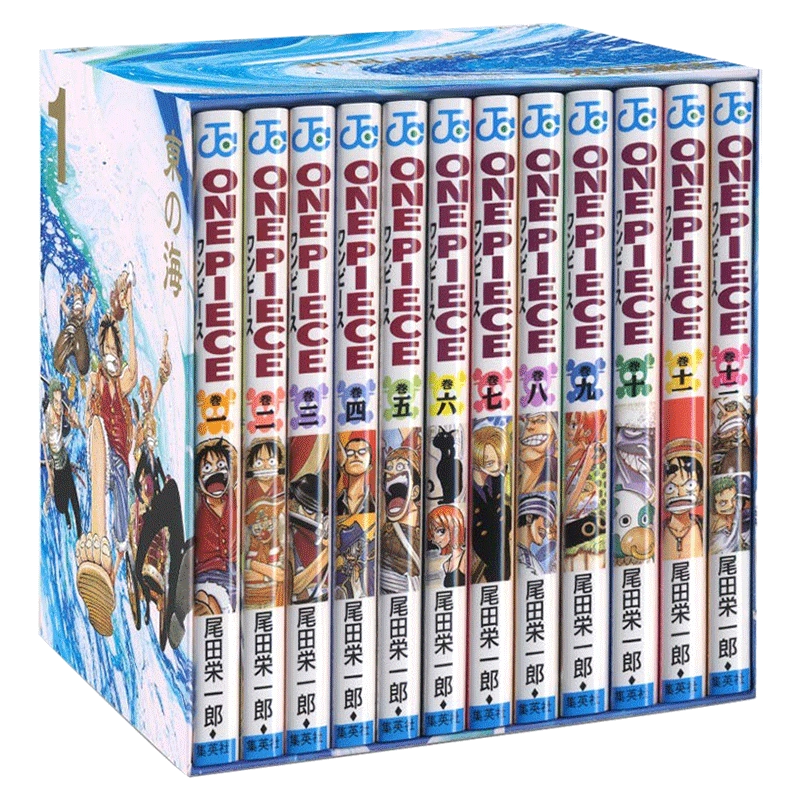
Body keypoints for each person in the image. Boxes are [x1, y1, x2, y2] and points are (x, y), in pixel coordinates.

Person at [42, 378, 82, 538]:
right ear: (52, 401)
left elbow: (73, 425)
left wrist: (74, 420)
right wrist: (49, 474)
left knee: (74, 496)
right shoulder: (48, 418)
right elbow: (46, 444)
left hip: (64, 459)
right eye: (56, 402)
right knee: (61, 505)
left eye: (60, 401)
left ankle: (80, 532)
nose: (59, 406)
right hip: (56, 466)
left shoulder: (60, 412)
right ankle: (66, 517)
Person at [426, 504, 466, 587]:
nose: (435, 539)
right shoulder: (445, 564)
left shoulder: (466, 557)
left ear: (454, 528)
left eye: (440, 531)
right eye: (433, 534)